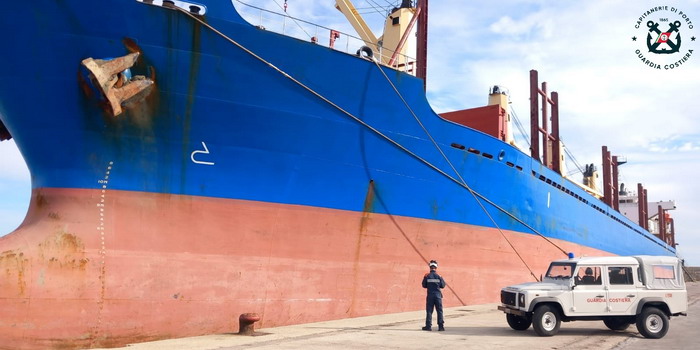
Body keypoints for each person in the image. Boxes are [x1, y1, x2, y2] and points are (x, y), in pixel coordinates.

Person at [422, 260, 446, 331]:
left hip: (430, 296)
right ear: (436, 267)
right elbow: (443, 285)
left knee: (429, 311)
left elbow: (424, 285)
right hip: (438, 296)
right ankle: (441, 327)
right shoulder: (439, 276)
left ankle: (428, 326)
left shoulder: (427, 276)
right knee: (439, 311)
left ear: (430, 267)